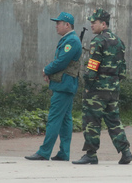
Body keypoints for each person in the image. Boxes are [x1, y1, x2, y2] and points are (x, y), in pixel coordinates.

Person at [72, 8, 132, 165]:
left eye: (94, 22)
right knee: (114, 120)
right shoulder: (119, 42)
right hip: (113, 88)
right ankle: (125, 152)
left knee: (92, 121)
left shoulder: (98, 41)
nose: (91, 25)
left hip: (97, 89)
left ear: (103, 24)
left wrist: (87, 85)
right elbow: (122, 69)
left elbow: (92, 67)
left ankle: (91, 154)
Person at [25, 12, 82, 162]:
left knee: (54, 118)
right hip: (64, 84)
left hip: (64, 86)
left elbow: (61, 62)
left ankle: (44, 152)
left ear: (67, 25)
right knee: (65, 120)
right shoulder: (69, 40)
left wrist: (46, 70)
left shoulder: (72, 41)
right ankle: (64, 153)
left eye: (59, 23)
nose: (56, 26)